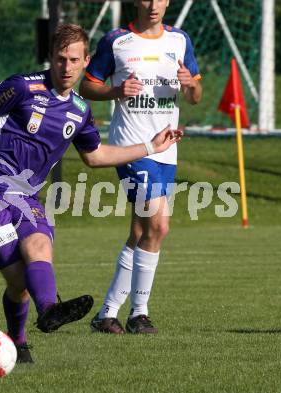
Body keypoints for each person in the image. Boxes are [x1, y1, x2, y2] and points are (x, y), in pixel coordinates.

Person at [0, 23, 182, 363]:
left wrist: (149, 147)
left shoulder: (79, 111)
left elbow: (95, 156)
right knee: (20, 280)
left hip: (24, 198)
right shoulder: (22, 87)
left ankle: (48, 313)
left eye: (74, 60)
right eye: (61, 59)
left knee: (39, 245)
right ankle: (20, 339)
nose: (67, 68)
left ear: (86, 61)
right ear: (50, 57)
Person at [80, 0, 202, 334]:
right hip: (130, 148)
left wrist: (190, 84)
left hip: (166, 150)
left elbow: (195, 96)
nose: (152, 5)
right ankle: (139, 313)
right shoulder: (116, 41)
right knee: (159, 225)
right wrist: (116, 90)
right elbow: (87, 85)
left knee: (141, 231)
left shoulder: (180, 40)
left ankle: (106, 314)